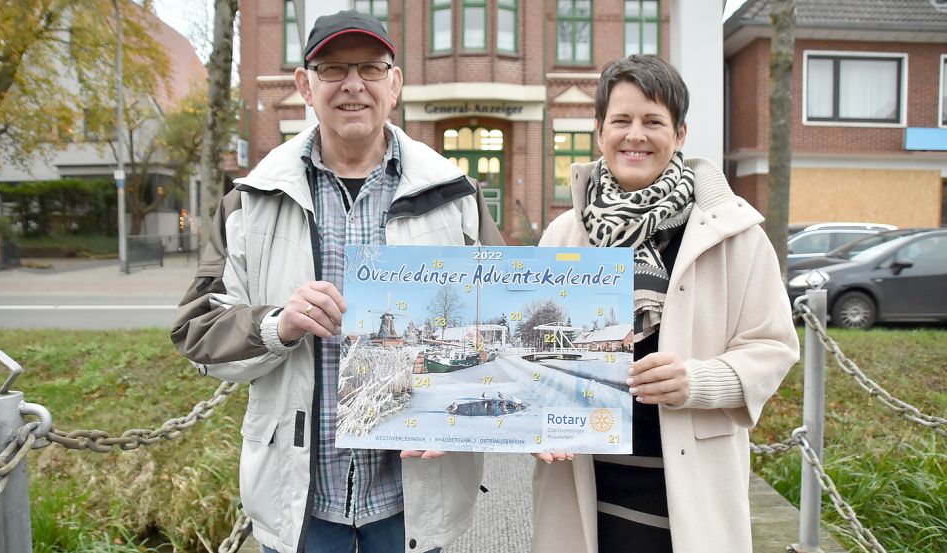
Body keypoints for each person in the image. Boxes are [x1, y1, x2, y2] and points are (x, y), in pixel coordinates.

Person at [171, 10, 501, 553]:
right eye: (332, 69)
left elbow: (495, 328)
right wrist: (278, 326)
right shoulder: (250, 202)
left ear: (394, 83)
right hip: (301, 504)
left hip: (411, 503)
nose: (353, 85)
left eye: (370, 68)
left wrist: (455, 412)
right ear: (305, 84)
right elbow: (199, 333)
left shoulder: (455, 196)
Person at [530, 55, 799, 553]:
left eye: (654, 121)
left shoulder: (734, 236)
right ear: (599, 132)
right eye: (622, 121)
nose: (636, 135)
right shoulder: (563, 235)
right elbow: (536, 357)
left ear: (679, 134)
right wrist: (537, 420)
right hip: (588, 488)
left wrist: (697, 381)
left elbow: (773, 346)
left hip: (687, 493)